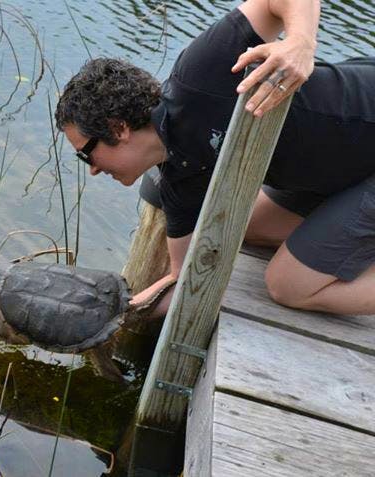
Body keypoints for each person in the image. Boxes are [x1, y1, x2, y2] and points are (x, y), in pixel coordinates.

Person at [55, 0, 375, 316]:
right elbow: (184, 279)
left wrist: (300, 43)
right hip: (347, 168)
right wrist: (108, 317)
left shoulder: (199, 76)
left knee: (288, 284)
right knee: (240, 227)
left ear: (118, 128)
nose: (93, 170)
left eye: (86, 154)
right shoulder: (179, 178)